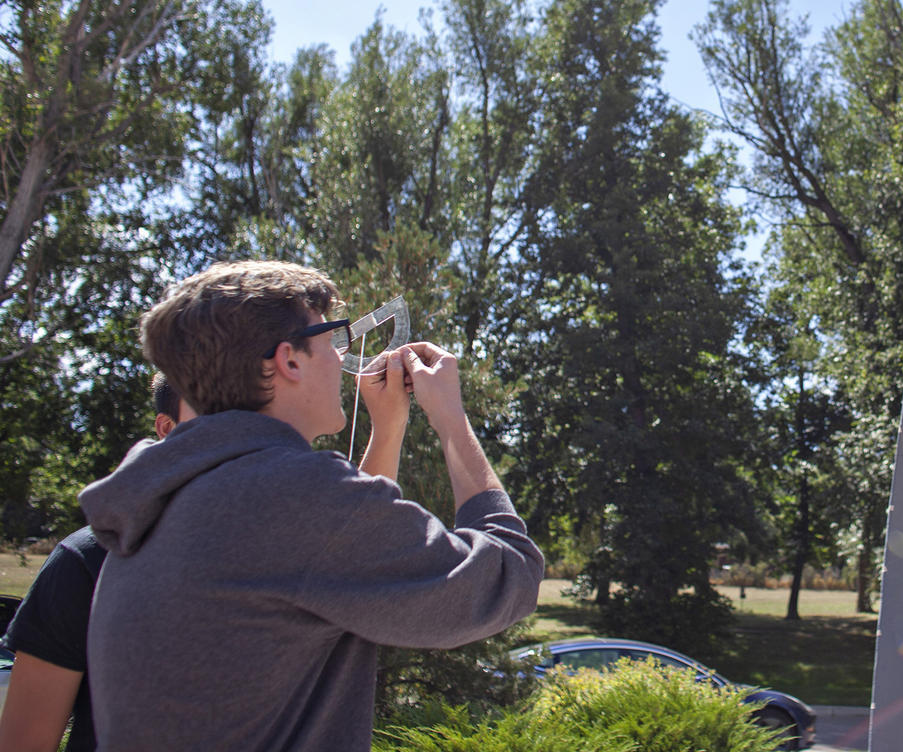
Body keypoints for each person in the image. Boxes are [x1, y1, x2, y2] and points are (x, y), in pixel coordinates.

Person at [77, 260, 545, 751]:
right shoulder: (287, 496)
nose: (344, 355)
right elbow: (507, 578)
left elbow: (328, 564)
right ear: (289, 361)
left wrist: (387, 429)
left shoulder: (171, 490)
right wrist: (452, 419)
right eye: (334, 337)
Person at [0, 376, 197, 752]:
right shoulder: (85, 560)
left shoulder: (301, 552)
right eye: (215, 411)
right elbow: (25, 743)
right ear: (166, 429)